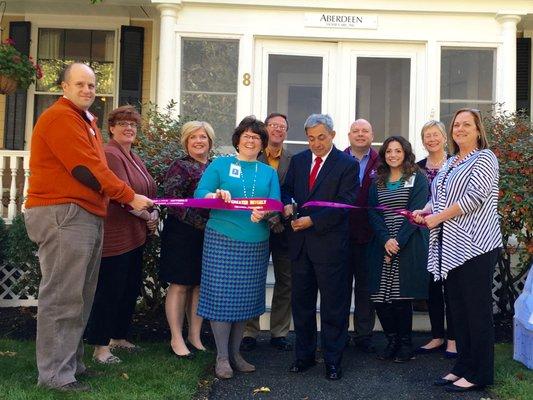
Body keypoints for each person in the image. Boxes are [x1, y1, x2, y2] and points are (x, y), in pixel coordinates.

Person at [24, 63, 152, 392]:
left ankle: (72, 366)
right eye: (79, 84)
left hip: (86, 214)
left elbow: (93, 168)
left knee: (80, 297)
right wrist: (129, 196)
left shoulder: (86, 121)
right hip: (63, 212)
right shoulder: (60, 117)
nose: (87, 90)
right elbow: (86, 169)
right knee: (63, 298)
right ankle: (55, 376)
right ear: (63, 87)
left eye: (92, 85)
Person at [414, 108, 502, 392]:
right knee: (459, 312)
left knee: (476, 312)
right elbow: (439, 197)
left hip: (477, 246)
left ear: (478, 130)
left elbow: (475, 197)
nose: (460, 128)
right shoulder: (451, 163)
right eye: (456, 124)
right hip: (450, 250)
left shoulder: (484, 158)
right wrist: (424, 211)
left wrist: (436, 218)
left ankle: (480, 374)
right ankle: (463, 366)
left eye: (467, 124)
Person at [194, 116, 280, 380]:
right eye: (247, 135)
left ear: (262, 143)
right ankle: (221, 356)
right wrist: (215, 195)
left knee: (243, 300)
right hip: (222, 240)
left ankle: (236, 354)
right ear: (238, 139)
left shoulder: (269, 172)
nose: (251, 140)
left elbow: (276, 204)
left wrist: (265, 213)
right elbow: (199, 195)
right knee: (221, 300)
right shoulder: (220, 164)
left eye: (256, 137)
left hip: (255, 244)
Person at [282, 114, 358, 381]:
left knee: (333, 308)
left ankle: (333, 361)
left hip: (331, 247)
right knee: (301, 305)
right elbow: (286, 190)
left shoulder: (347, 164)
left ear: (333, 135)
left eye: (321, 137)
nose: (316, 143)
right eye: (311, 138)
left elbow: (346, 203)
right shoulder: (299, 161)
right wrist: (288, 203)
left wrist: (313, 220)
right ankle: (304, 357)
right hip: (300, 247)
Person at [85, 105, 158, 364]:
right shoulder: (110, 153)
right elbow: (118, 194)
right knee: (110, 290)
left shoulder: (132, 155)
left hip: (134, 233)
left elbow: (147, 192)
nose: (129, 128)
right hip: (116, 235)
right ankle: (100, 347)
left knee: (128, 288)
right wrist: (146, 216)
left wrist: (154, 214)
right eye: (123, 124)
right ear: (112, 128)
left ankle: (118, 337)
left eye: (133, 125)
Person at [367, 136, 429, 363]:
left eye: (398, 151)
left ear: (405, 153)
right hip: (382, 244)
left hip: (407, 243)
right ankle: (391, 341)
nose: (393, 155)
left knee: (400, 297)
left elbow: (417, 213)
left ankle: (405, 345)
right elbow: (373, 213)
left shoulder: (418, 178)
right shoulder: (377, 180)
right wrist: (386, 240)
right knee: (380, 296)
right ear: (383, 155)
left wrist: (397, 242)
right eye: (389, 151)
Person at [159, 121, 215, 358]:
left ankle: (195, 335)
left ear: (210, 141)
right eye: (193, 137)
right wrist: (201, 223)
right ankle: (176, 338)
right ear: (186, 141)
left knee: (199, 286)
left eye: (203, 137)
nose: (198, 141)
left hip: (208, 235)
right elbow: (174, 202)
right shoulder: (179, 167)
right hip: (182, 234)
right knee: (180, 285)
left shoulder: (215, 167)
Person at [242, 112, 293, 352]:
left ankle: (279, 332)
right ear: (265, 129)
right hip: (256, 225)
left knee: (286, 280)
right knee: (253, 278)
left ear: (286, 131)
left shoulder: (295, 160)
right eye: (273, 125)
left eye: (282, 126)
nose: (277, 129)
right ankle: (249, 331)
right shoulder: (252, 156)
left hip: (284, 230)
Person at [415, 120, 456, 358]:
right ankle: (437, 336)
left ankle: (453, 339)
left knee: (451, 289)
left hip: (451, 232)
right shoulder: (417, 168)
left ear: (444, 137)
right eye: (427, 136)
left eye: (435, 135)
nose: (431, 139)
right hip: (424, 233)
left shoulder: (455, 164)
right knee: (432, 287)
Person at [343, 119, 380, 353]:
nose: (360, 134)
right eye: (355, 131)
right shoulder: (338, 159)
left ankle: (364, 335)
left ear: (371, 135)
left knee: (366, 288)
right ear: (348, 135)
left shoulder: (382, 160)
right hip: (341, 235)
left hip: (371, 235)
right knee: (340, 287)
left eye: (364, 130)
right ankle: (340, 332)